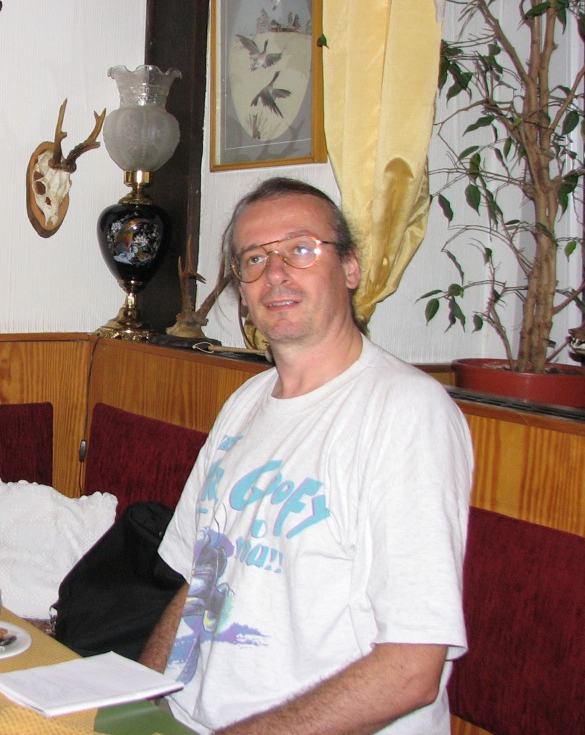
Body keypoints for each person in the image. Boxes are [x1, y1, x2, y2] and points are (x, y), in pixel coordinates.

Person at [141, 177, 473, 734]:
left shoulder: (407, 413)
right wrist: (138, 700)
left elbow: (412, 670)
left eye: (300, 249)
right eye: (254, 258)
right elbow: (203, 581)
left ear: (351, 267)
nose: (275, 273)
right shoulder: (245, 404)